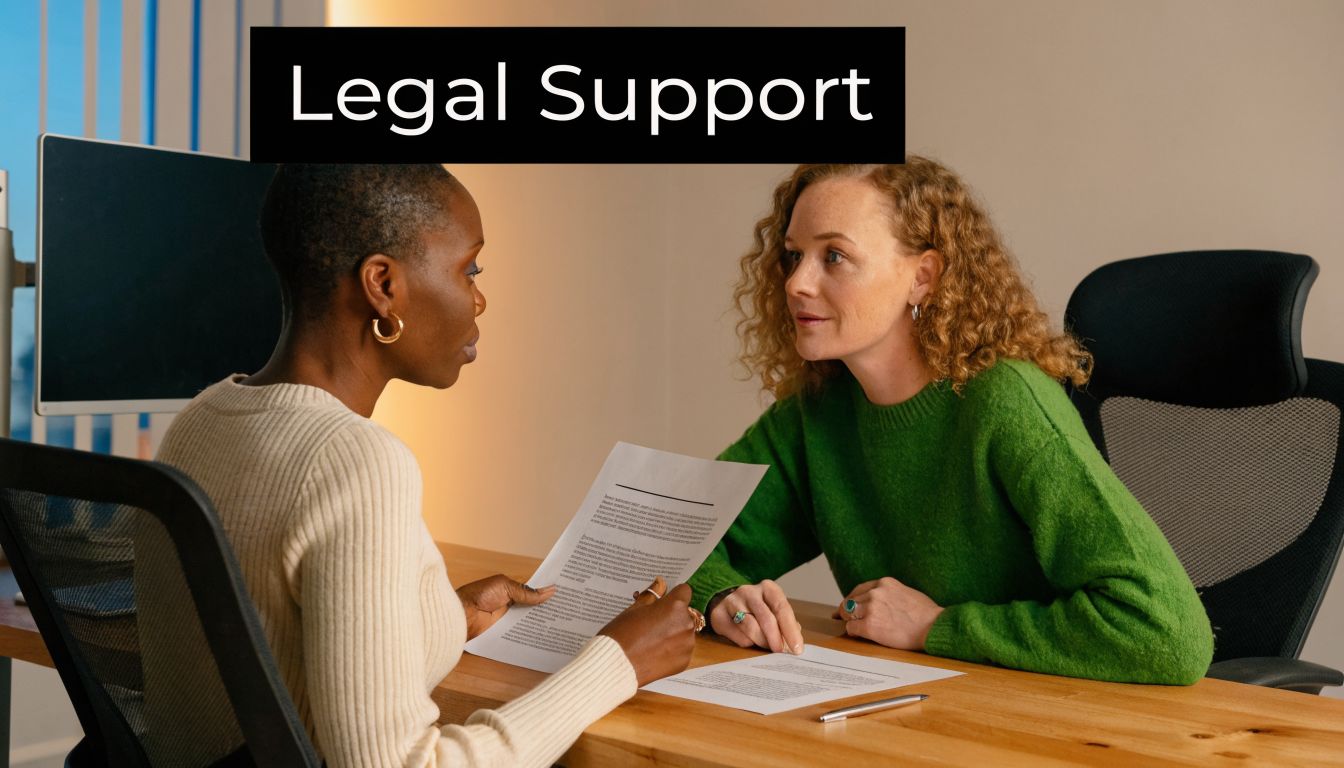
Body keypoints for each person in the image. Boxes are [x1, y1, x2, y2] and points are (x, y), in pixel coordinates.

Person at [156, 164, 699, 767]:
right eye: (470, 268)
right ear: (383, 285)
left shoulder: (201, 420)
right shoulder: (356, 462)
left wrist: (441, 616)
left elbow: (264, 636)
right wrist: (617, 663)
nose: (479, 296)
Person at [687, 158, 1214, 685]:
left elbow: (1168, 634)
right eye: (794, 255)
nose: (797, 282)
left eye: (835, 256)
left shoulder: (1006, 402)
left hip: (1060, 726)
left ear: (921, 277)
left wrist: (937, 627)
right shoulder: (816, 414)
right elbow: (663, 545)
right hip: (920, 715)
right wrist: (722, 599)